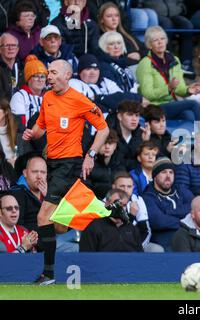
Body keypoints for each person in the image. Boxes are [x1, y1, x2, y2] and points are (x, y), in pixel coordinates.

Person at [22, 59, 110, 285]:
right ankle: (103, 208)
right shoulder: (48, 98)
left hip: (69, 164)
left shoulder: (80, 101)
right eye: (47, 72)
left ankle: (49, 275)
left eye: (52, 72)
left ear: (67, 75)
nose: (48, 76)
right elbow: (41, 127)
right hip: (51, 163)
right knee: (58, 225)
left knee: (43, 216)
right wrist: (31, 134)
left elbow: (103, 128)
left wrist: (90, 154)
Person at [136, 26, 200, 124]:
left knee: (188, 115)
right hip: (153, 107)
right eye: (156, 40)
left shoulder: (174, 60)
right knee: (194, 104)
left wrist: (188, 90)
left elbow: (179, 88)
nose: (160, 42)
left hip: (170, 104)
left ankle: (193, 138)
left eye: (162, 39)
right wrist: (168, 88)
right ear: (149, 45)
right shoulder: (145, 63)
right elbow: (147, 94)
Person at [142, 156, 194, 250]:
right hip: (163, 241)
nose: (168, 176)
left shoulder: (181, 190)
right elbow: (158, 222)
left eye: (171, 172)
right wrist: (186, 221)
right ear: (155, 176)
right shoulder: (148, 196)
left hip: (187, 237)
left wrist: (168, 211)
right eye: (163, 172)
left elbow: (194, 208)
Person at [140, 0, 196, 77]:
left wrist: (182, 9)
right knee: (167, 25)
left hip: (175, 13)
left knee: (187, 26)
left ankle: (186, 64)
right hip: (156, 14)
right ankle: (169, 62)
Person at [111, 171, 164, 252]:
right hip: (112, 246)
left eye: (129, 186)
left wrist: (136, 249)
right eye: (122, 186)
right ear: (114, 187)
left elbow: (146, 231)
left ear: (133, 187)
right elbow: (113, 232)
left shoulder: (138, 200)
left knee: (156, 249)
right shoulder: (106, 203)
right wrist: (131, 215)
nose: (125, 190)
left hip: (136, 245)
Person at [79, 188, 143, 252]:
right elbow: (85, 257)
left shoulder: (132, 229)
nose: (120, 208)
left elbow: (140, 257)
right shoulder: (94, 228)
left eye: (124, 205)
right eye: (116, 204)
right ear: (107, 204)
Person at [106, 100, 150, 171]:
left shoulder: (142, 134)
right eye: (130, 115)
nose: (134, 119)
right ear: (120, 116)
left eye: (137, 115)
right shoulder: (109, 134)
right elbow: (115, 162)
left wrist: (145, 142)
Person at [10, 154, 47, 232]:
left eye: (43, 172)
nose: (39, 176)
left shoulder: (50, 191)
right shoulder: (18, 193)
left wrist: (49, 198)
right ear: (25, 173)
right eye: (34, 172)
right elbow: (16, 227)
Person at [10, 54, 47, 128]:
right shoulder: (19, 97)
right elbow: (19, 126)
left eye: (42, 76)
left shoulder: (48, 96)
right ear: (28, 79)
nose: (40, 79)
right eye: (36, 76)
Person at [89, 129, 126, 199]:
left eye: (110, 143)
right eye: (104, 143)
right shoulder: (89, 163)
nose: (107, 147)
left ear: (115, 146)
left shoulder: (120, 163)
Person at [0, 33, 24, 101]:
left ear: (17, 49)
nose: (10, 48)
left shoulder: (22, 68)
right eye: (7, 45)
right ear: (0, 49)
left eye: (13, 45)